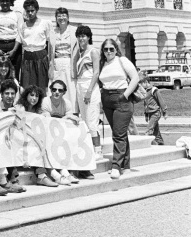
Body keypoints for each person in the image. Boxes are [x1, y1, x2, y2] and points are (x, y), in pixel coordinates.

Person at [92, 38, 140, 179]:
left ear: (116, 50)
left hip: (122, 98)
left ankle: (116, 166)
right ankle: (126, 165)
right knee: (120, 133)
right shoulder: (103, 63)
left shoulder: (122, 60)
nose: (108, 52)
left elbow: (135, 78)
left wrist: (125, 95)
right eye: (106, 49)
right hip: (107, 99)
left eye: (111, 49)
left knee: (118, 135)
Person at [72, 24, 102, 176]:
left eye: (84, 36)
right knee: (84, 120)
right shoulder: (79, 52)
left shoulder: (93, 51)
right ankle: (89, 148)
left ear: (89, 37)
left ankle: (98, 150)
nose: (81, 38)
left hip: (91, 87)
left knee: (92, 121)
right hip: (80, 86)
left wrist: (90, 90)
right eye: (79, 36)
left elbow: (96, 72)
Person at [16, 85, 58, 188]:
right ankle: (42, 176)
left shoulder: (39, 110)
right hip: (21, 141)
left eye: (37, 96)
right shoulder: (20, 107)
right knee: (37, 147)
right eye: (32, 95)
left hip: (34, 140)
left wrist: (45, 116)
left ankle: (57, 173)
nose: (34, 98)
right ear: (26, 96)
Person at [41, 79, 80, 185]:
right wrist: (66, 116)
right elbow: (49, 121)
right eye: (54, 89)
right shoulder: (45, 101)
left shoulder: (67, 103)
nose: (57, 92)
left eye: (60, 90)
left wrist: (68, 117)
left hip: (61, 134)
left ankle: (66, 172)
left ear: (64, 92)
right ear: (50, 90)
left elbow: (70, 121)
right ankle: (58, 173)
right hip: (47, 133)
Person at [14, 0, 54, 91]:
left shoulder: (45, 23)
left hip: (41, 57)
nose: (30, 13)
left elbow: (50, 43)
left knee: (42, 86)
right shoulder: (22, 26)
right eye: (28, 11)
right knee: (27, 86)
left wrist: (51, 61)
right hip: (28, 58)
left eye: (32, 11)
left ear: (37, 10)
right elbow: (21, 41)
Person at [52, 8, 77, 109]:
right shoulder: (53, 31)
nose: (61, 18)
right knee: (57, 87)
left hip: (69, 62)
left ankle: (72, 110)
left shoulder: (74, 30)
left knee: (70, 89)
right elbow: (50, 50)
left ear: (68, 17)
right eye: (59, 16)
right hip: (56, 63)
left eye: (64, 15)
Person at [141, 73, 167, 145]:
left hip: (156, 113)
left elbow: (161, 101)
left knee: (149, 128)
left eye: (141, 84)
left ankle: (144, 144)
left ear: (146, 82)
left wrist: (164, 112)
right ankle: (159, 141)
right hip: (150, 113)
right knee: (155, 129)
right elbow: (145, 103)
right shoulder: (145, 91)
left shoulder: (154, 90)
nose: (140, 86)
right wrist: (146, 115)